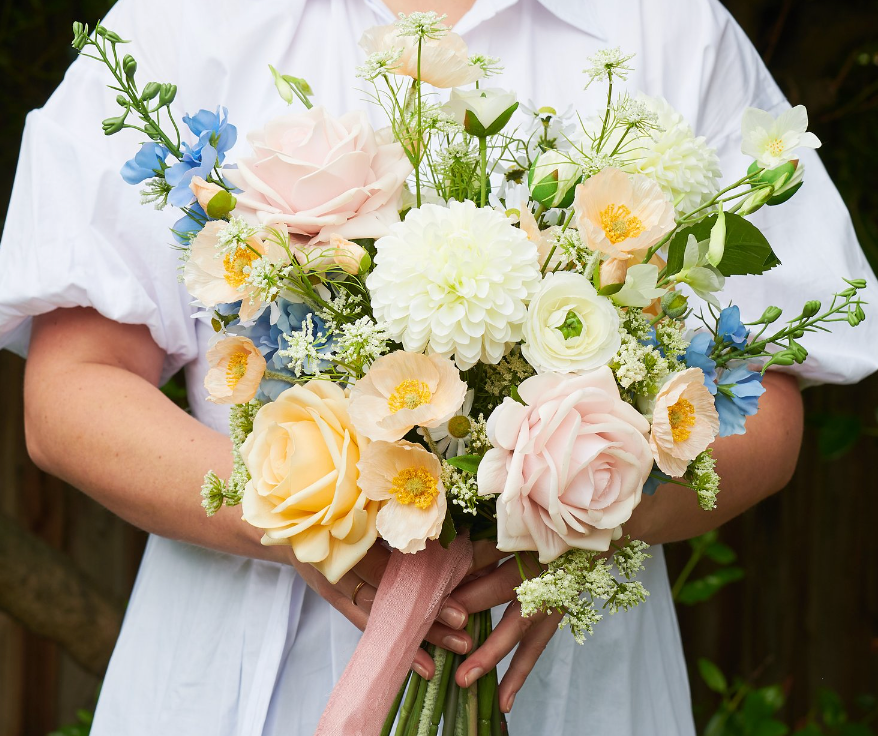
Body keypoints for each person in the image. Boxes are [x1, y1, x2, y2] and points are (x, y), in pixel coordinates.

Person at [1, 0, 875, 733]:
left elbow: (764, 413)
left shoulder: (671, 28)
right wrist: (301, 520)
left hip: (566, 683)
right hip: (239, 677)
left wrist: (574, 521)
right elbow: (72, 392)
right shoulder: (185, 20)